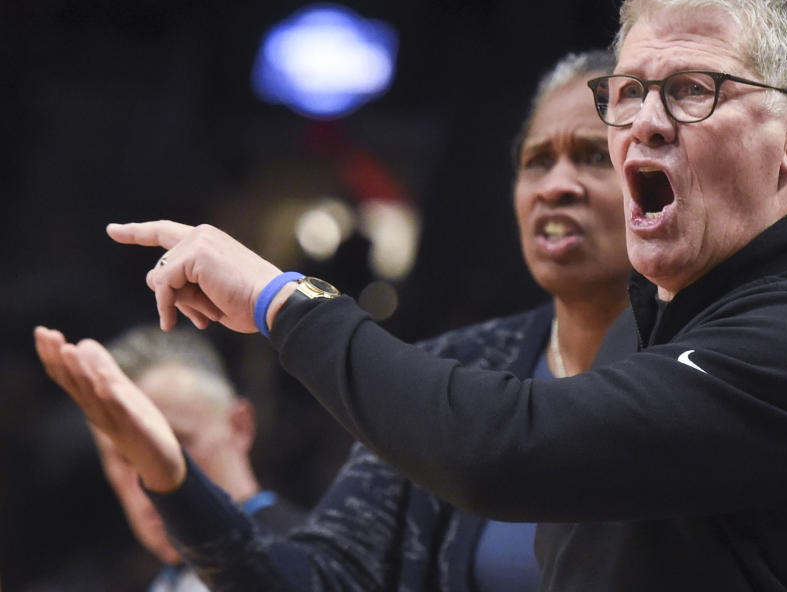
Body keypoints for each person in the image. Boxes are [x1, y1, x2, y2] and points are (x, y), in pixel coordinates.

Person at [36, 50, 635, 590]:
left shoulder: (709, 358)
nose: (556, 185)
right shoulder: (453, 365)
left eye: (591, 156)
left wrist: (276, 296)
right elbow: (316, 581)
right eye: (536, 161)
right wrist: (172, 478)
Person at [87, 325, 305, 591]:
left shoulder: (309, 565)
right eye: (124, 456)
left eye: (167, 446)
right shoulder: (148, 579)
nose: (149, 476)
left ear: (239, 426)